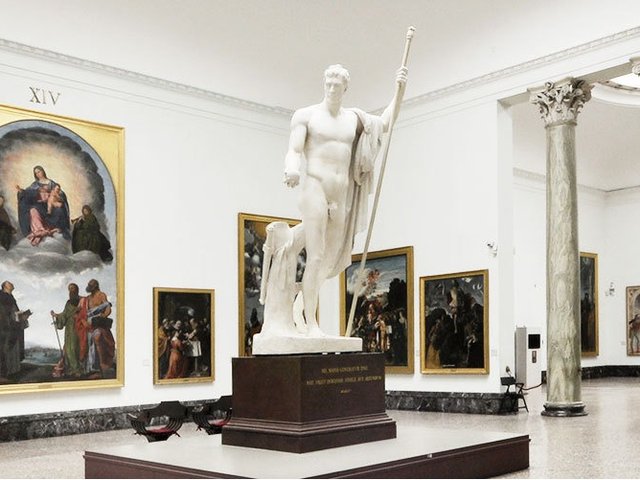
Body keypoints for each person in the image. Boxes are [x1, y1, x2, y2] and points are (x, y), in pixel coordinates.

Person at [284, 64, 407, 335]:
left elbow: (385, 123)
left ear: (345, 88)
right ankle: (312, 323)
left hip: (340, 194)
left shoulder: (354, 119)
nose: (331, 89)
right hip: (315, 187)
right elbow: (294, 149)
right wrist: (292, 169)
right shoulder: (306, 115)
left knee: (331, 259)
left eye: (336, 85)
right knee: (316, 255)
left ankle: (299, 304)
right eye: (328, 84)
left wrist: (399, 91)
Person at [16, 165, 70, 245]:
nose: (38, 174)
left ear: (43, 171)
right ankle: (39, 230)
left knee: (58, 209)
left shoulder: (51, 183)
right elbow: (27, 193)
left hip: (50, 206)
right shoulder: (35, 185)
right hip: (39, 205)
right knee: (33, 210)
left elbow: (60, 193)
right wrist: (21, 191)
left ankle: (51, 228)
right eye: (36, 173)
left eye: (39, 171)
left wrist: (53, 195)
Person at [82, 279, 115, 378]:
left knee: (96, 338)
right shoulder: (87, 298)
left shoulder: (101, 295)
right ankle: (90, 368)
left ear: (95, 286)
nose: (89, 287)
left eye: (91, 286)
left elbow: (108, 308)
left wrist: (103, 316)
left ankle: (97, 368)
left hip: (98, 323)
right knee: (87, 343)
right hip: (88, 324)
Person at [50, 283, 84, 377]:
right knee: (68, 348)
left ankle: (77, 369)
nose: (71, 290)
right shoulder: (68, 303)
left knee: (75, 348)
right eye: (70, 289)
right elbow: (64, 314)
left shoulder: (82, 300)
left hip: (79, 326)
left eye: (72, 288)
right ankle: (72, 369)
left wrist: (79, 315)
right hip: (69, 328)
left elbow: (85, 312)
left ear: (77, 289)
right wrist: (56, 315)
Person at [0, 281, 31, 378]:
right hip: (6, 327)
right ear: (5, 286)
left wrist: (21, 316)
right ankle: (5, 372)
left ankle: (13, 370)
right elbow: (5, 313)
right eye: (10, 284)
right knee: (6, 348)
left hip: (14, 326)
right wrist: (16, 316)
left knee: (13, 347)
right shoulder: (2, 297)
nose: (13, 285)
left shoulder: (10, 297)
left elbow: (14, 312)